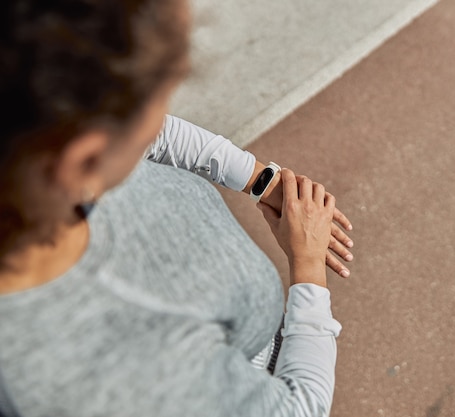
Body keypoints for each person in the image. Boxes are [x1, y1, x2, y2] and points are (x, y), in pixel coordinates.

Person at [0, 1, 354, 416]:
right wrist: (308, 271)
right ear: (84, 160)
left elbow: (144, 132)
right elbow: (300, 409)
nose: (164, 116)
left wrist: (263, 180)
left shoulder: (31, 155)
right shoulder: (122, 371)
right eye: (161, 96)